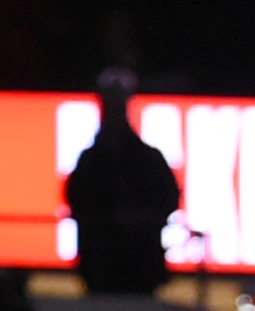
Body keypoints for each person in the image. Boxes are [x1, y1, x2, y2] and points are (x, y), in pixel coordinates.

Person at [62, 71, 179, 296]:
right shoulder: (92, 161)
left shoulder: (147, 158)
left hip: (139, 264)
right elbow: (77, 199)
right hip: (102, 264)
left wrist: (141, 218)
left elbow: (169, 197)